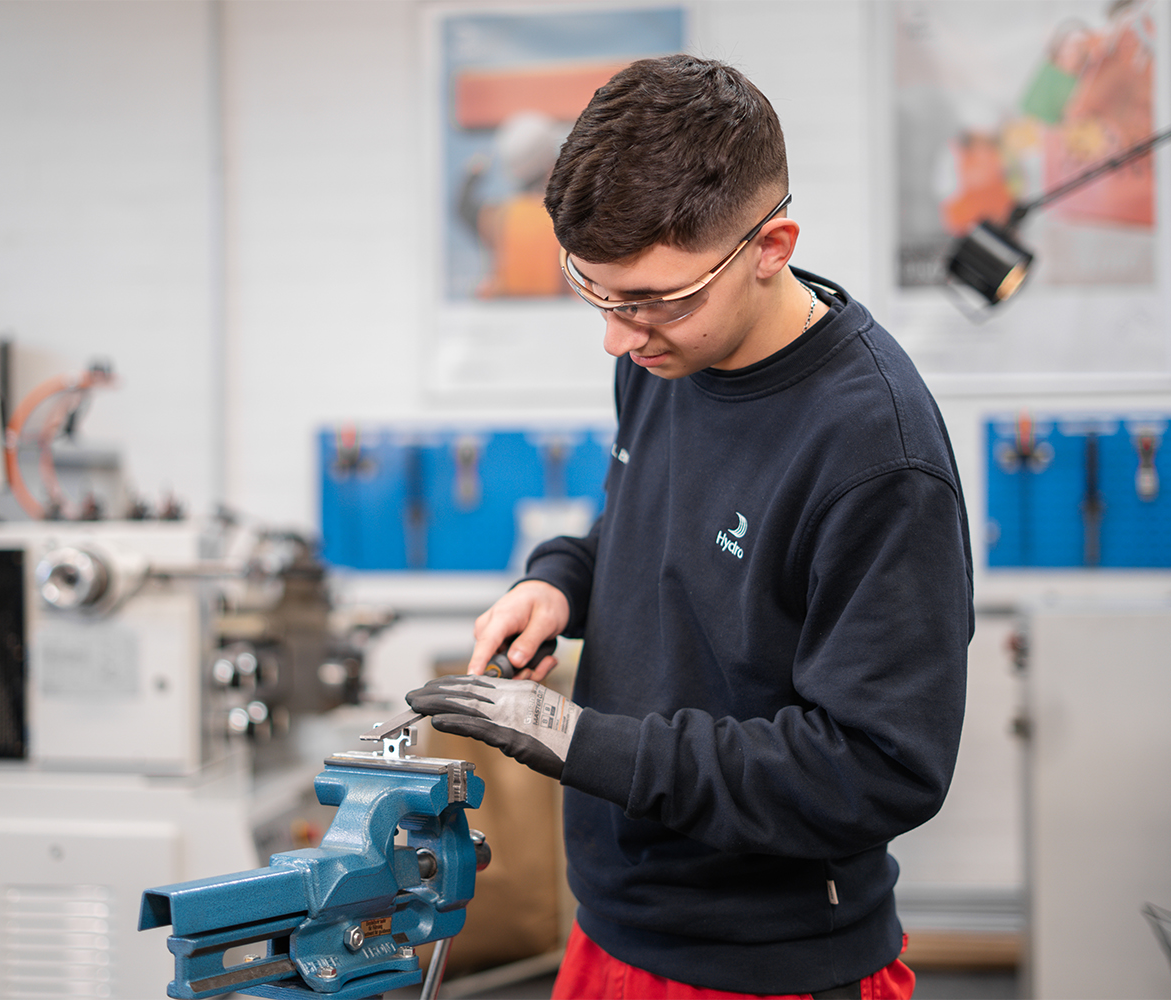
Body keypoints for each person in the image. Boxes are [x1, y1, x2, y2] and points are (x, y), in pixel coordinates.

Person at [404, 55, 974, 1000]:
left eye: (651, 301)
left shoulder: (878, 454)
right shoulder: (663, 352)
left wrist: (585, 743)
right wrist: (557, 579)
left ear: (771, 245)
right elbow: (639, 522)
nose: (617, 339)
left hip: (767, 964)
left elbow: (880, 769)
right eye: (596, 293)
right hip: (614, 923)